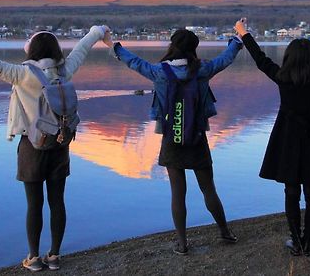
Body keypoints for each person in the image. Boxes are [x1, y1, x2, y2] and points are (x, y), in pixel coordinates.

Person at [0, 25, 109, 271]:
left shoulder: (23, 73)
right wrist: (99, 30)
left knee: (34, 204)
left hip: (32, 146)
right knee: (57, 201)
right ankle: (54, 255)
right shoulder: (65, 70)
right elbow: (82, 47)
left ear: (31, 50)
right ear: (55, 50)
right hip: (60, 143)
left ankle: (33, 258)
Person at [102, 28, 242, 255]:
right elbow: (225, 59)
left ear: (172, 47)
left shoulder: (159, 72)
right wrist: (237, 39)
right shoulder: (202, 70)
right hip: (197, 137)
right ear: (193, 49)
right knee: (209, 189)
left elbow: (134, 62)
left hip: (171, 138)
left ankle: (182, 243)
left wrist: (113, 46)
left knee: (178, 193)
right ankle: (225, 232)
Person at [235, 17, 310, 256]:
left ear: (289, 57)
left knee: (291, 192)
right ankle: (307, 241)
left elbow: (260, 59)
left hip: (286, 140)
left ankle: (296, 241)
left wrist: (244, 32)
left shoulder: (282, 77)